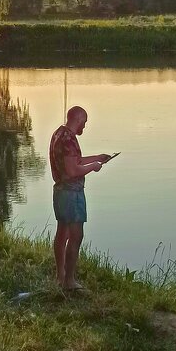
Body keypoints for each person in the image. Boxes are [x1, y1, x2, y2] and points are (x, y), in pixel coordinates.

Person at [49, 106, 111, 291]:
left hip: (60, 192)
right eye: (84, 121)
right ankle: (69, 282)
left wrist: (97, 157)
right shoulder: (69, 139)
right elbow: (73, 170)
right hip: (71, 194)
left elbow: (73, 161)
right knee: (76, 235)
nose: (85, 125)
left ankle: (61, 275)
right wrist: (94, 166)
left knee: (63, 233)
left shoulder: (59, 134)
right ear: (77, 119)